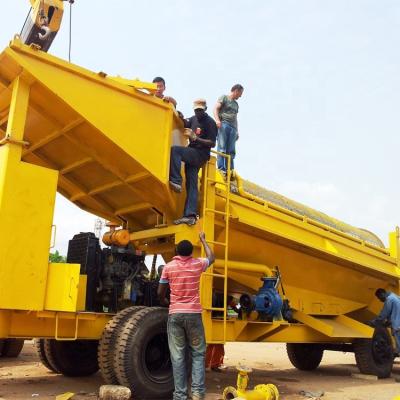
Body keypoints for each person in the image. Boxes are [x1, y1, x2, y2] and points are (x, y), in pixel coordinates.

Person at [158, 232, 215, 400]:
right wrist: (204, 240)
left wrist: (167, 301)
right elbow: (212, 257)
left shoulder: (168, 267)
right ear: (191, 253)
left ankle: (180, 395)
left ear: (176, 251)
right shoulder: (197, 264)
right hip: (194, 315)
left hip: (175, 315)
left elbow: (160, 292)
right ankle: (197, 393)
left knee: (177, 357)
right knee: (198, 354)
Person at [169, 99, 217, 226]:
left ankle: (176, 181)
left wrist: (196, 138)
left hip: (200, 154)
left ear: (205, 109)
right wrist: (180, 116)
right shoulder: (193, 119)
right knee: (191, 185)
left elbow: (212, 143)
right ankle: (190, 215)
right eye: (196, 110)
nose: (198, 112)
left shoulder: (210, 123)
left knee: (176, 151)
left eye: (200, 110)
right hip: (192, 152)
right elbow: (186, 123)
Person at [213, 84, 244, 175]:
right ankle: (222, 168)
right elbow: (215, 108)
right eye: (240, 93)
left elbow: (235, 118)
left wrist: (237, 130)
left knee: (231, 150)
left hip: (233, 128)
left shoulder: (236, 104)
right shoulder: (224, 98)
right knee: (222, 147)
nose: (240, 96)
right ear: (236, 91)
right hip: (224, 124)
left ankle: (230, 170)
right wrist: (217, 121)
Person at [371, 288, 400, 354]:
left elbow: (384, 313)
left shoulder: (389, 299)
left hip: (397, 327)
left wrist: (375, 321)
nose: (379, 300)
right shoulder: (396, 297)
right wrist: (388, 322)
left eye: (379, 297)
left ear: (382, 294)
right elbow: (395, 312)